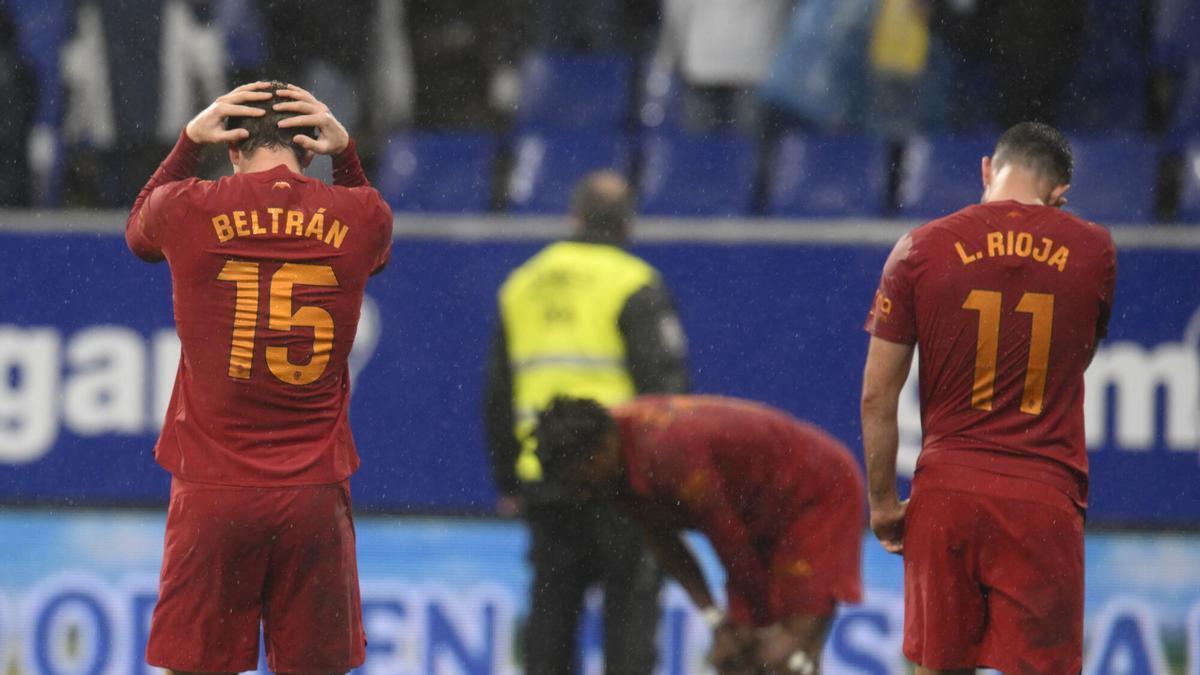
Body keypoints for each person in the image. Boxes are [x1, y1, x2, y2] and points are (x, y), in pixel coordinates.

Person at [125, 80, 393, 674]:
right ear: (310, 147)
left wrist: (187, 142)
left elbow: (138, 235)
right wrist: (348, 156)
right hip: (313, 494)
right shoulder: (360, 215)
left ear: (232, 146)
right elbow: (378, 248)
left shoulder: (188, 206)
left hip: (213, 491)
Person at [861, 122, 1117, 674]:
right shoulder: (1094, 250)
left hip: (946, 495)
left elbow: (877, 396)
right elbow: (1078, 358)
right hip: (1042, 499)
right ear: (1060, 193)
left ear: (986, 169)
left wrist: (882, 503)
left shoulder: (918, 248)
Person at [483, 171, 689, 675]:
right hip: (621, 481)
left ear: (574, 217)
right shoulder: (634, 282)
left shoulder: (522, 283)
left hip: (546, 480)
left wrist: (509, 479)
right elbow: (665, 391)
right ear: (627, 225)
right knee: (630, 620)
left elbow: (497, 395)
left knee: (551, 619)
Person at [532, 394, 864, 675]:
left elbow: (731, 543)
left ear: (604, 447)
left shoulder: (666, 452)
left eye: (582, 480)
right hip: (757, 514)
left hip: (815, 493)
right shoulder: (607, 457)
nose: (581, 494)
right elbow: (664, 541)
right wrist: (715, 619)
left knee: (781, 656)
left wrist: (762, 626)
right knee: (735, 659)